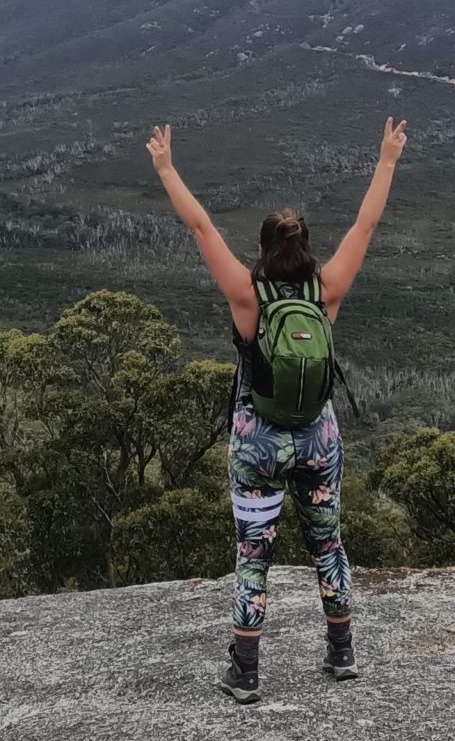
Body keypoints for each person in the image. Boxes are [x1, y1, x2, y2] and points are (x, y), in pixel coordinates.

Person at [146, 116, 408, 702]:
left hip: (257, 442)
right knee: (328, 544)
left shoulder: (247, 294)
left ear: (261, 252)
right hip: (318, 438)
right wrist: (387, 160)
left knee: (253, 554)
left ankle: (246, 670)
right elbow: (367, 223)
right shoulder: (328, 288)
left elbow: (199, 226)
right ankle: (341, 653)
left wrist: (165, 168)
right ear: (308, 251)